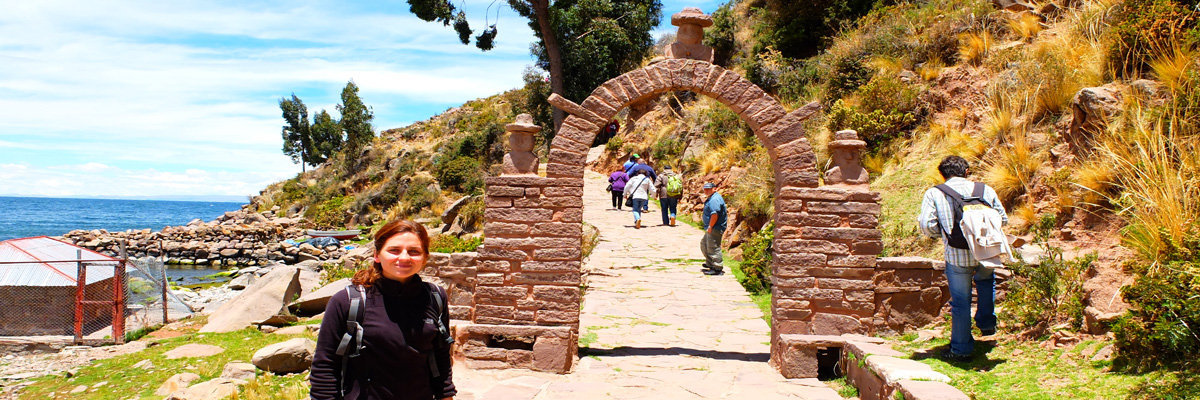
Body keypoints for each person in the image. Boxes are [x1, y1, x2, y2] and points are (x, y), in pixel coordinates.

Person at [310, 220, 456, 400]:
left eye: (414, 252)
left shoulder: (435, 297)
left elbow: (441, 355)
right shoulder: (348, 301)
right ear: (377, 255)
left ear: (424, 257)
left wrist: (446, 395)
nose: (404, 257)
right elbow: (325, 365)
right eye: (394, 250)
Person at [918, 155, 1008, 361]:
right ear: (966, 172)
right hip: (986, 251)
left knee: (961, 301)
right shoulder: (985, 190)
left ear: (942, 174)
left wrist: (943, 235)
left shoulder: (935, 193)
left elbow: (926, 225)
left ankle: (961, 349)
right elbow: (1003, 218)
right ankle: (986, 325)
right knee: (986, 282)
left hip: (957, 254)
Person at [700, 182, 727, 275]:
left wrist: (710, 226)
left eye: (709, 189)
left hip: (715, 227)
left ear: (714, 189)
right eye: (705, 189)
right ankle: (710, 263)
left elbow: (715, 214)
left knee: (713, 247)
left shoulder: (714, 199)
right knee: (704, 244)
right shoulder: (712, 198)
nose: (706, 191)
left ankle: (717, 268)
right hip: (712, 227)